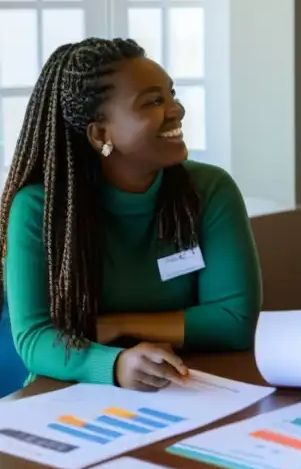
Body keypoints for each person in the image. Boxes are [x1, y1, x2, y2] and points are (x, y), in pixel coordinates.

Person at [0, 38, 262, 392]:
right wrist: (116, 364)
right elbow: (34, 339)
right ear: (99, 134)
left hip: (190, 385)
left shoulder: (210, 190)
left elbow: (234, 320)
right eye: (153, 101)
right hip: (69, 394)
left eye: (171, 95)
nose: (176, 110)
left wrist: (117, 325)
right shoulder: (39, 209)